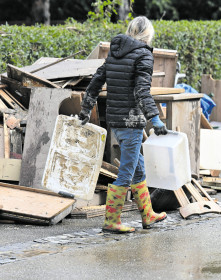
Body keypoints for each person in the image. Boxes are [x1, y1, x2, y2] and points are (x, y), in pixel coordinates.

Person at [79, 16, 168, 234]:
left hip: (116, 121)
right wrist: (155, 119)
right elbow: (142, 91)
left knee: (138, 167)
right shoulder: (144, 54)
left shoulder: (115, 52)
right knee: (127, 172)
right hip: (131, 122)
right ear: (148, 34)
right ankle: (111, 221)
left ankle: (147, 215)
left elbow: (95, 82)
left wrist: (84, 110)